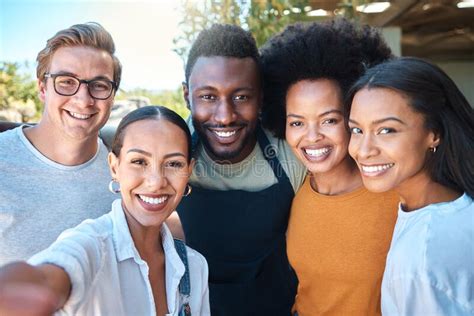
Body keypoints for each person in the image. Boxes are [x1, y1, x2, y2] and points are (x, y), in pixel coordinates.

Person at [0, 105, 210, 316]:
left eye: (174, 164)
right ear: (113, 166)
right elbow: (51, 275)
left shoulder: (195, 266)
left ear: (188, 171)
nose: (156, 182)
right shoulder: (90, 247)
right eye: (139, 161)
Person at [260, 19, 399, 316]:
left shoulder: (395, 195)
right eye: (297, 122)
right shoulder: (295, 193)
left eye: (329, 120)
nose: (311, 137)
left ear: (353, 117)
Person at [174, 24, 306, 315]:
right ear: (187, 96)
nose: (225, 117)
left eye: (241, 97)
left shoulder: (292, 154)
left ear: (260, 97)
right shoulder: (170, 153)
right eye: (208, 96)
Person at [347, 57, 474, 315]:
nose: (363, 150)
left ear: (434, 134)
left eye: (386, 130)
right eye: (356, 130)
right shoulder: (458, 205)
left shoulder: (419, 257)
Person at [0, 22, 121, 265]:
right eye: (66, 81)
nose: (83, 100)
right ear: (43, 88)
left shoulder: (125, 168)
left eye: (99, 85)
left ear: (113, 95)